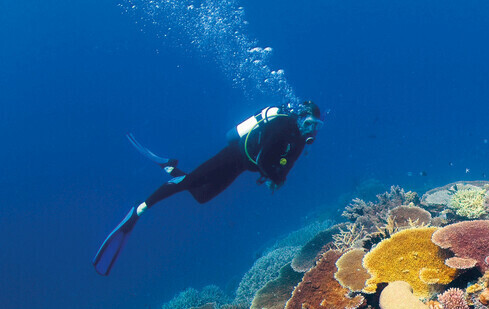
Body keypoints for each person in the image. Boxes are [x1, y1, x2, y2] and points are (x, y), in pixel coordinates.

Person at [93, 100, 323, 275]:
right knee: (191, 181)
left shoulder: (301, 141)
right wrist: (275, 177)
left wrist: (278, 178)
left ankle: (170, 168)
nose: (312, 130)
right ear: (301, 117)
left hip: (242, 165)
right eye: (309, 123)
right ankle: (140, 208)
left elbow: (286, 164)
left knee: (202, 196)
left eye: (316, 126)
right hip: (234, 155)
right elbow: (263, 160)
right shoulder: (282, 124)